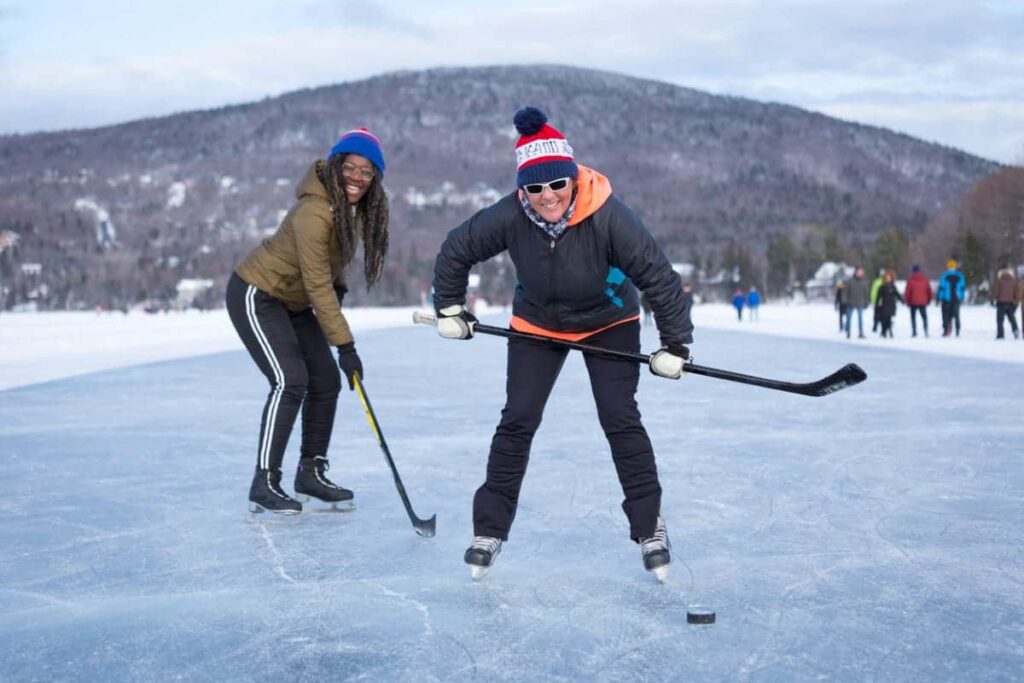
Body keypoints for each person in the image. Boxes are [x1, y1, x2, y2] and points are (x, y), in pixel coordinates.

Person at [431, 107, 692, 580]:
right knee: (518, 419)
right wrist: (449, 307)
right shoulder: (511, 214)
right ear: (523, 188)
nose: (547, 196)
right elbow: (457, 248)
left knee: (619, 417)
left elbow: (658, 276)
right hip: (537, 322)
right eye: (535, 187)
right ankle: (489, 530)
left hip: (608, 320)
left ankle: (649, 526)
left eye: (557, 183)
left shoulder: (609, 216)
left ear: (572, 177)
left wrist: (676, 344)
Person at [225, 128, 390, 514]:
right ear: (335, 167)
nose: (357, 177)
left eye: (367, 172)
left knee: (325, 381)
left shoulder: (350, 212)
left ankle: (310, 473)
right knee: (289, 380)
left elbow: (330, 273)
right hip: (258, 293)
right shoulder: (315, 211)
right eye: (350, 167)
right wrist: (345, 346)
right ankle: (264, 481)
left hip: (292, 302)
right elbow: (318, 284)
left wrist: (338, 301)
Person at [936, 258, 966, 337]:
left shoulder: (944, 275)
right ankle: (957, 330)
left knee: (946, 315)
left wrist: (938, 298)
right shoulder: (960, 276)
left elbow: (941, 288)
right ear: (955, 267)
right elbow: (962, 288)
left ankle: (946, 330)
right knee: (956, 315)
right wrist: (962, 297)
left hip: (946, 299)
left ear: (948, 267)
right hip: (956, 299)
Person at [903, 264, 932, 337]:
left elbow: (907, 292)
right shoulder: (925, 279)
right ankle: (926, 330)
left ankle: (914, 332)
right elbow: (929, 291)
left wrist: (907, 301)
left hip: (913, 302)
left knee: (913, 317)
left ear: (913, 271)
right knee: (924, 317)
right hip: (923, 302)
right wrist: (928, 300)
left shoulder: (910, 280)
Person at [992, 264, 1020, 340]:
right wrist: (1016, 300)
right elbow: (1017, 292)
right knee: (1012, 318)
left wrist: (994, 298)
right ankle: (1015, 330)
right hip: (1011, 303)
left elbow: (996, 292)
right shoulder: (1014, 281)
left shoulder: (999, 281)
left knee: (1000, 320)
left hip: (1001, 303)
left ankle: (1000, 334)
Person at [841, 267, 870, 339]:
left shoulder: (864, 282)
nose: (860, 274)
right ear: (855, 273)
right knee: (848, 318)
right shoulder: (850, 281)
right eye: (859, 273)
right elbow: (845, 291)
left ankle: (861, 333)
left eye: (861, 273)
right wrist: (844, 300)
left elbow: (866, 293)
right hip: (850, 302)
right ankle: (848, 331)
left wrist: (866, 302)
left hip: (860, 303)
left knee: (860, 318)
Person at [876, 270, 903, 338]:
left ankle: (890, 330)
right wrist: (877, 304)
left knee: (889, 318)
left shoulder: (893, 286)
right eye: (887, 278)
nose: (888, 279)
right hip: (884, 305)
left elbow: (897, 294)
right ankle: (884, 331)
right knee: (884, 319)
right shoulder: (882, 287)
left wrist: (902, 300)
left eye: (889, 278)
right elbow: (878, 297)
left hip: (891, 305)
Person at [870, 268, 885, 334]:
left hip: (878, 301)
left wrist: (873, 300)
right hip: (881, 302)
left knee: (877, 314)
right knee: (881, 315)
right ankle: (878, 326)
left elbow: (873, 292)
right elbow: (873, 292)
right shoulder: (882, 282)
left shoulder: (876, 282)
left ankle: (875, 326)